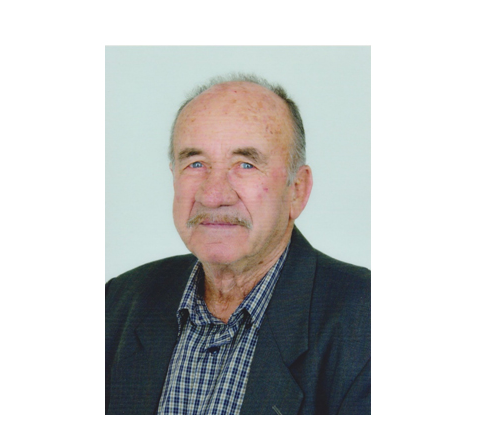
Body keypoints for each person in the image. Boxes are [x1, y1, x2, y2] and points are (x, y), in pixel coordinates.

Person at [105, 74, 370, 415]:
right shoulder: (117, 302)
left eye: (246, 164)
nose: (213, 195)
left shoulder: (366, 321)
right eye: (195, 163)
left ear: (297, 190)